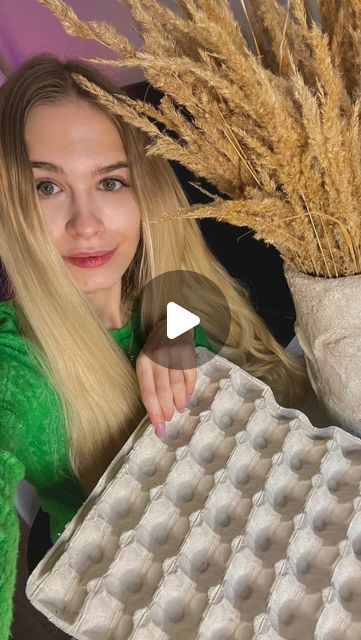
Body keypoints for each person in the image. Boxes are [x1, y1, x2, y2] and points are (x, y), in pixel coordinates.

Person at [0, 54, 306, 639]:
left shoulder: (156, 284)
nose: (86, 224)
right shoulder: (15, 368)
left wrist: (171, 326)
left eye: (110, 182)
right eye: (46, 186)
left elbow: (197, 282)